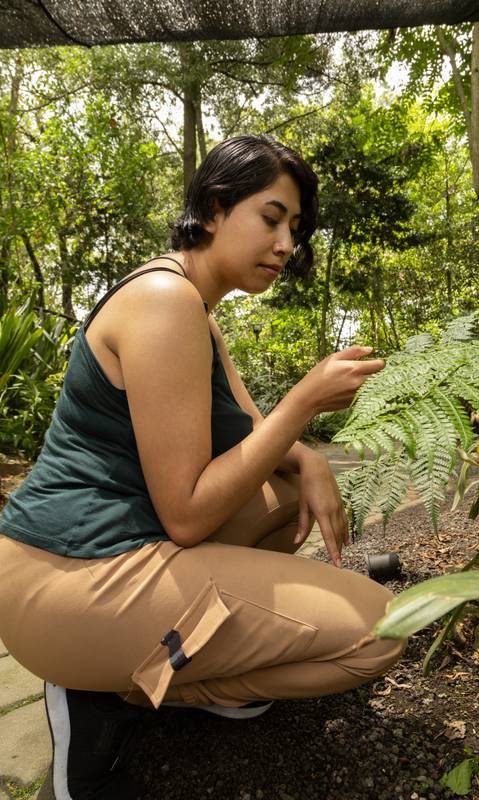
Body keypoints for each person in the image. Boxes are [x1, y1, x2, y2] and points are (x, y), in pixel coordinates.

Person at [0, 134, 406, 800]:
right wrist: (303, 404)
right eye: (271, 218)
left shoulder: (196, 311)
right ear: (214, 208)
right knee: (377, 634)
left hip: (110, 549)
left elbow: (250, 436)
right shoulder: (164, 303)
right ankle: (108, 689)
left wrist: (306, 461)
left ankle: (144, 664)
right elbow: (188, 515)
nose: (285, 245)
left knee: (281, 498)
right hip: (64, 575)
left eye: (294, 230)